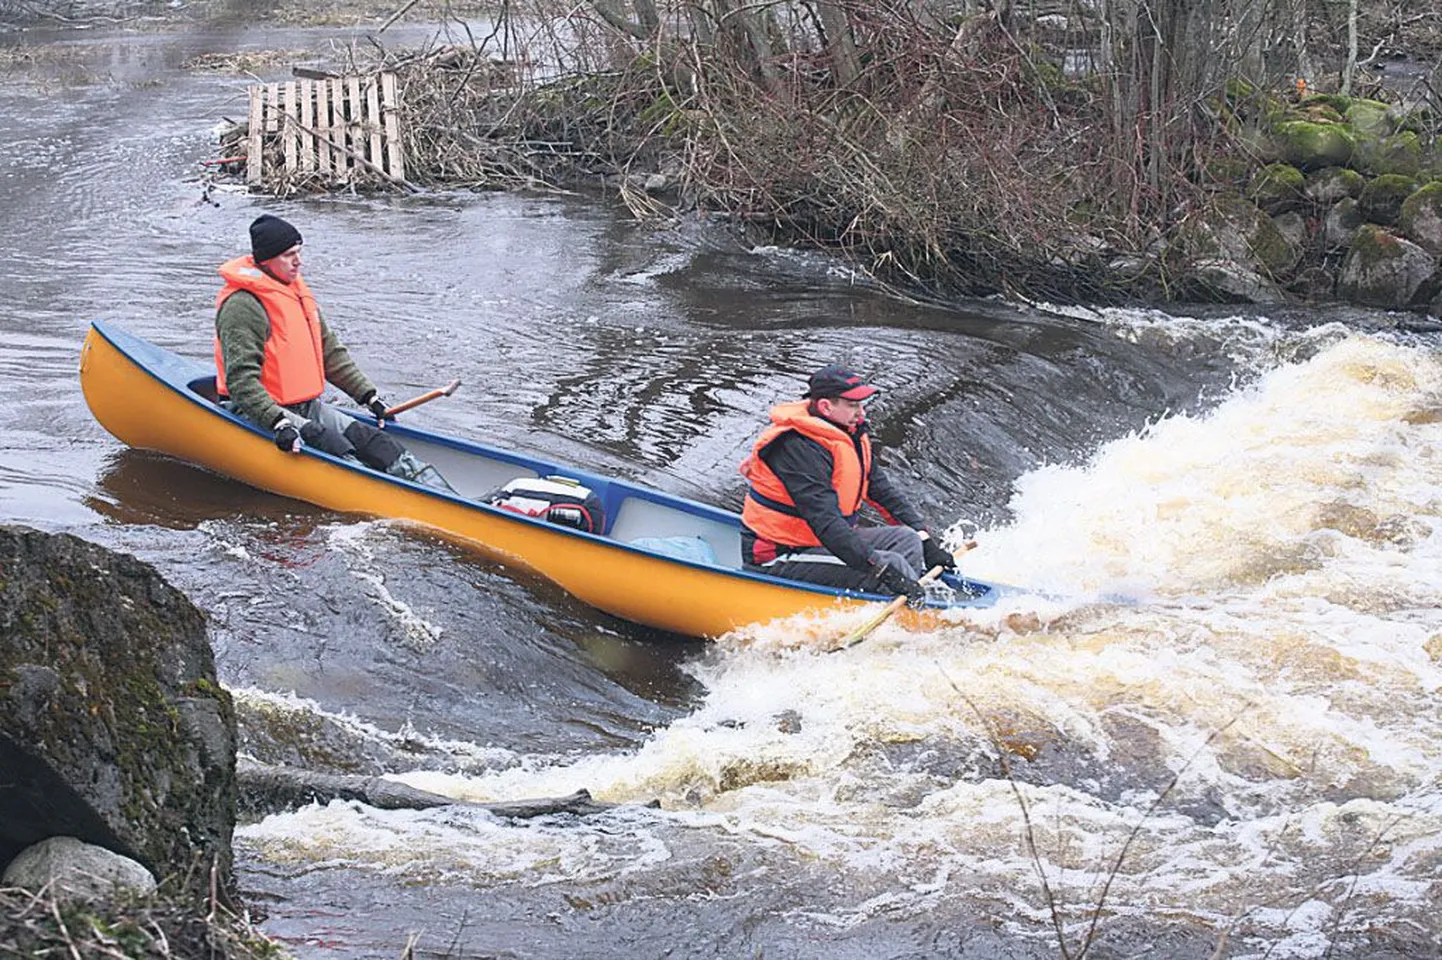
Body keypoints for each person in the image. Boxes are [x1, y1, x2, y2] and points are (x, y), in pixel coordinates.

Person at [213, 214, 450, 490]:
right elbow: (241, 382)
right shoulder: (243, 307)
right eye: (289, 255)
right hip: (259, 411)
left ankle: (444, 494)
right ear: (267, 260)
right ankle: (392, 495)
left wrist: (369, 397)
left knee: (377, 443)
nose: (298, 261)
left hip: (306, 407)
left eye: (299, 253)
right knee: (335, 448)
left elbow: (330, 353)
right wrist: (278, 423)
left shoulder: (295, 293)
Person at [739, 364, 958, 601]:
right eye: (853, 405)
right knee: (891, 563)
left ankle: (905, 600)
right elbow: (827, 523)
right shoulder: (796, 448)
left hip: (819, 544)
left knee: (907, 540)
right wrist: (881, 569)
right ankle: (912, 614)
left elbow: (883, 493)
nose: (861, 413)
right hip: (781, 555)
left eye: (861, 404)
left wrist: (927, 541)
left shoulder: (850, 435)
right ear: (825, 406)